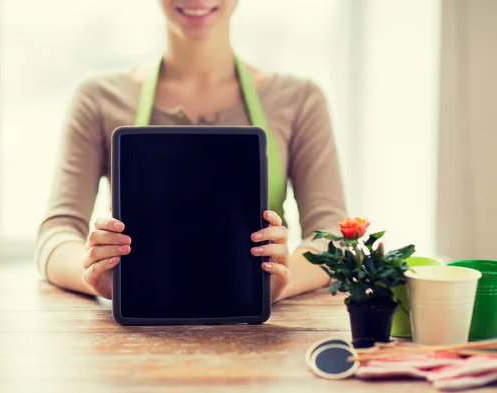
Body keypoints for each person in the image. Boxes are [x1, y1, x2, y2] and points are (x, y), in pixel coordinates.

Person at [34, 0, 347, 304]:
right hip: (141, 327)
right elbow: (57, 232)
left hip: (259, 333)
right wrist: (96, 275)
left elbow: (334, 237)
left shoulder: (300, 99)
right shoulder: (99, 98)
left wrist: (278, 282)